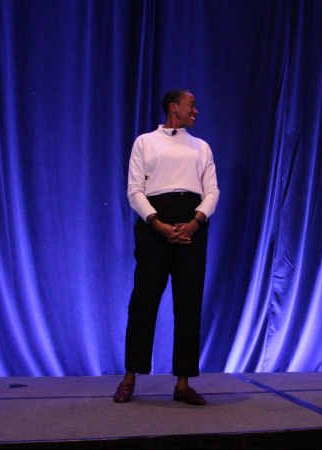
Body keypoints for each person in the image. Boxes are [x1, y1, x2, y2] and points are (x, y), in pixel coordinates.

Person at [113, 89, 219, 405]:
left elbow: (212, 192)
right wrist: (157, 224)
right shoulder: (145, 142)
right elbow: (134, 191)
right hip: (154, 226)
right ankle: (130, 377)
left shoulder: (201, 147)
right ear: (173, 108)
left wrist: (195, 221)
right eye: (191, 105)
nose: (196, 111)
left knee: (188, 306)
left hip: (192, 225)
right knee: (143, 301)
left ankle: (183, 384)